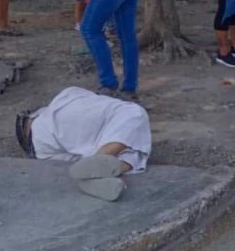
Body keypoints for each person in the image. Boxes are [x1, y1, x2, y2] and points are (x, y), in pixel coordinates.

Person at [15, 86, 152, 202]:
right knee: (134, 115)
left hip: (43, 146)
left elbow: (77, 162)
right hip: (56, 122)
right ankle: (103, 160)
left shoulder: (41, 152)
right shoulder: (66, 95)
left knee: (134, 149)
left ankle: (100, 172)